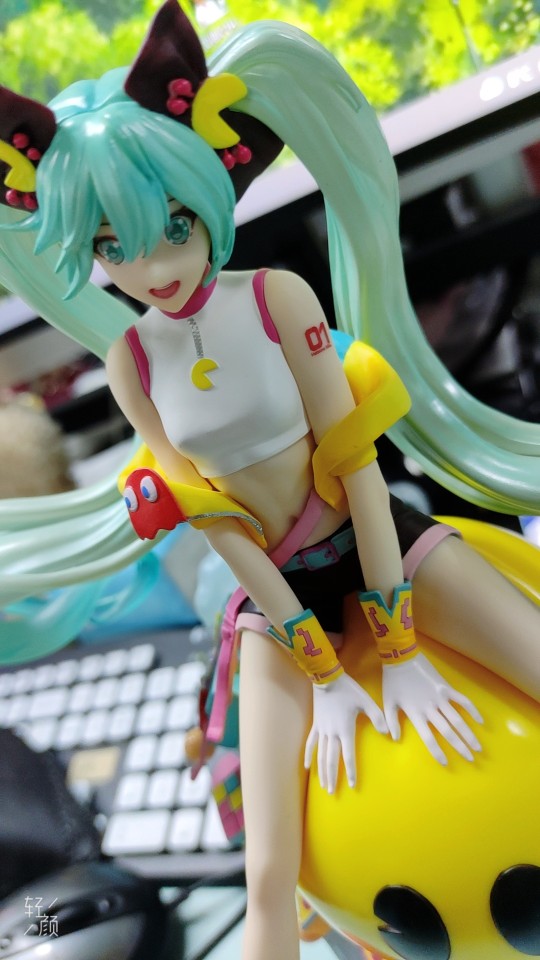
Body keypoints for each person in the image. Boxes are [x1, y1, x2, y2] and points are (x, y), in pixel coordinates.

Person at [0, 4, 538, 957]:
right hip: (273, 600)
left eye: (171, 226)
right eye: (114, 246)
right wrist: (321, 668)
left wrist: (398, 645)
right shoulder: (131, 364)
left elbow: (356, 462)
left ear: (208, 196)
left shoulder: (278, 299)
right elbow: (212, 518)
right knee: (268, 876)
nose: (153, 267)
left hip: (379, 542)